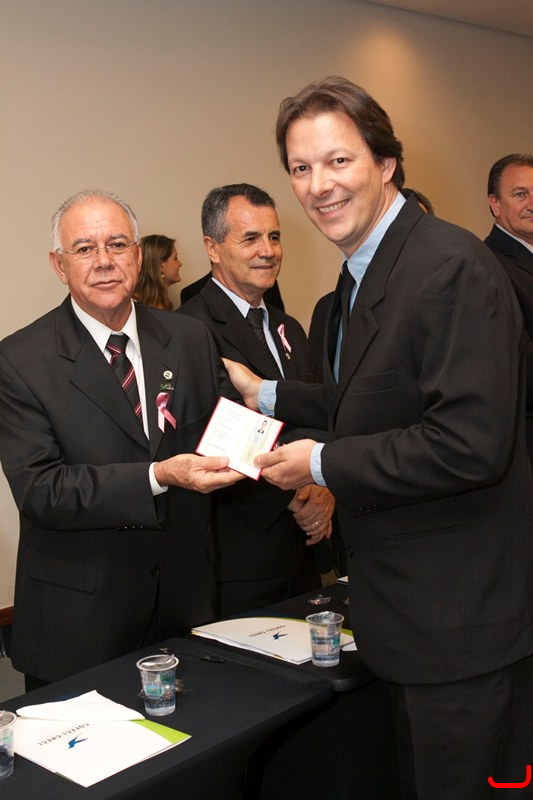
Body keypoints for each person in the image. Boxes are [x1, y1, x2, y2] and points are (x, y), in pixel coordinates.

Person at [223, 78, 533, 799]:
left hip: (460, 623)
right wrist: (265, 393)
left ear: (386, 162)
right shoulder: (360, 276)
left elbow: (468, 443)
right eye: (301, 168)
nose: (318, 186)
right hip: (405, 616)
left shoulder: (448, 266)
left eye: (338, 161)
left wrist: (321, 461)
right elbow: (372, 395)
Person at [0, 189, 243, 689]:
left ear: (136, 254)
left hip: (184, 609)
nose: (104, 261)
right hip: (80, 624)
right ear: (59, 265)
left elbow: (227, 432)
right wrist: (158, 475)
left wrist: (291, 462)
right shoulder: (20, 360)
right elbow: (42, 491)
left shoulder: (189, 338)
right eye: (84, 249)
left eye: (116, 244)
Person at [179, 183, 335, 616]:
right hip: (243, 555)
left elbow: (319, 413)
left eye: (274, 236)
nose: (267, 251)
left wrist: (324, 482)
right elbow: (214, 434)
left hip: (307, 547)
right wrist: (297, 495)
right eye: (250, 238)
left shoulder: (290, 327)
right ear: (212, 247)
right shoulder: (187, 330)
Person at [485, 154, 533, 462]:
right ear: (495, 204)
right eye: (520, 194)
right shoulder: (490, 266)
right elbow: (515, 364)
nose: (532, 203)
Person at [181, 271, 285, 310]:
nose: (268, 252)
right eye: (250, 239)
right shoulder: (193, 293)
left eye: (273, 238)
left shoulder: (267, 284)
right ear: (213, 249)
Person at [134, 234, 182, 310]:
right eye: (175, 258)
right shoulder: (134, 307)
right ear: (161, 266)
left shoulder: (162, 301)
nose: (180, 264)